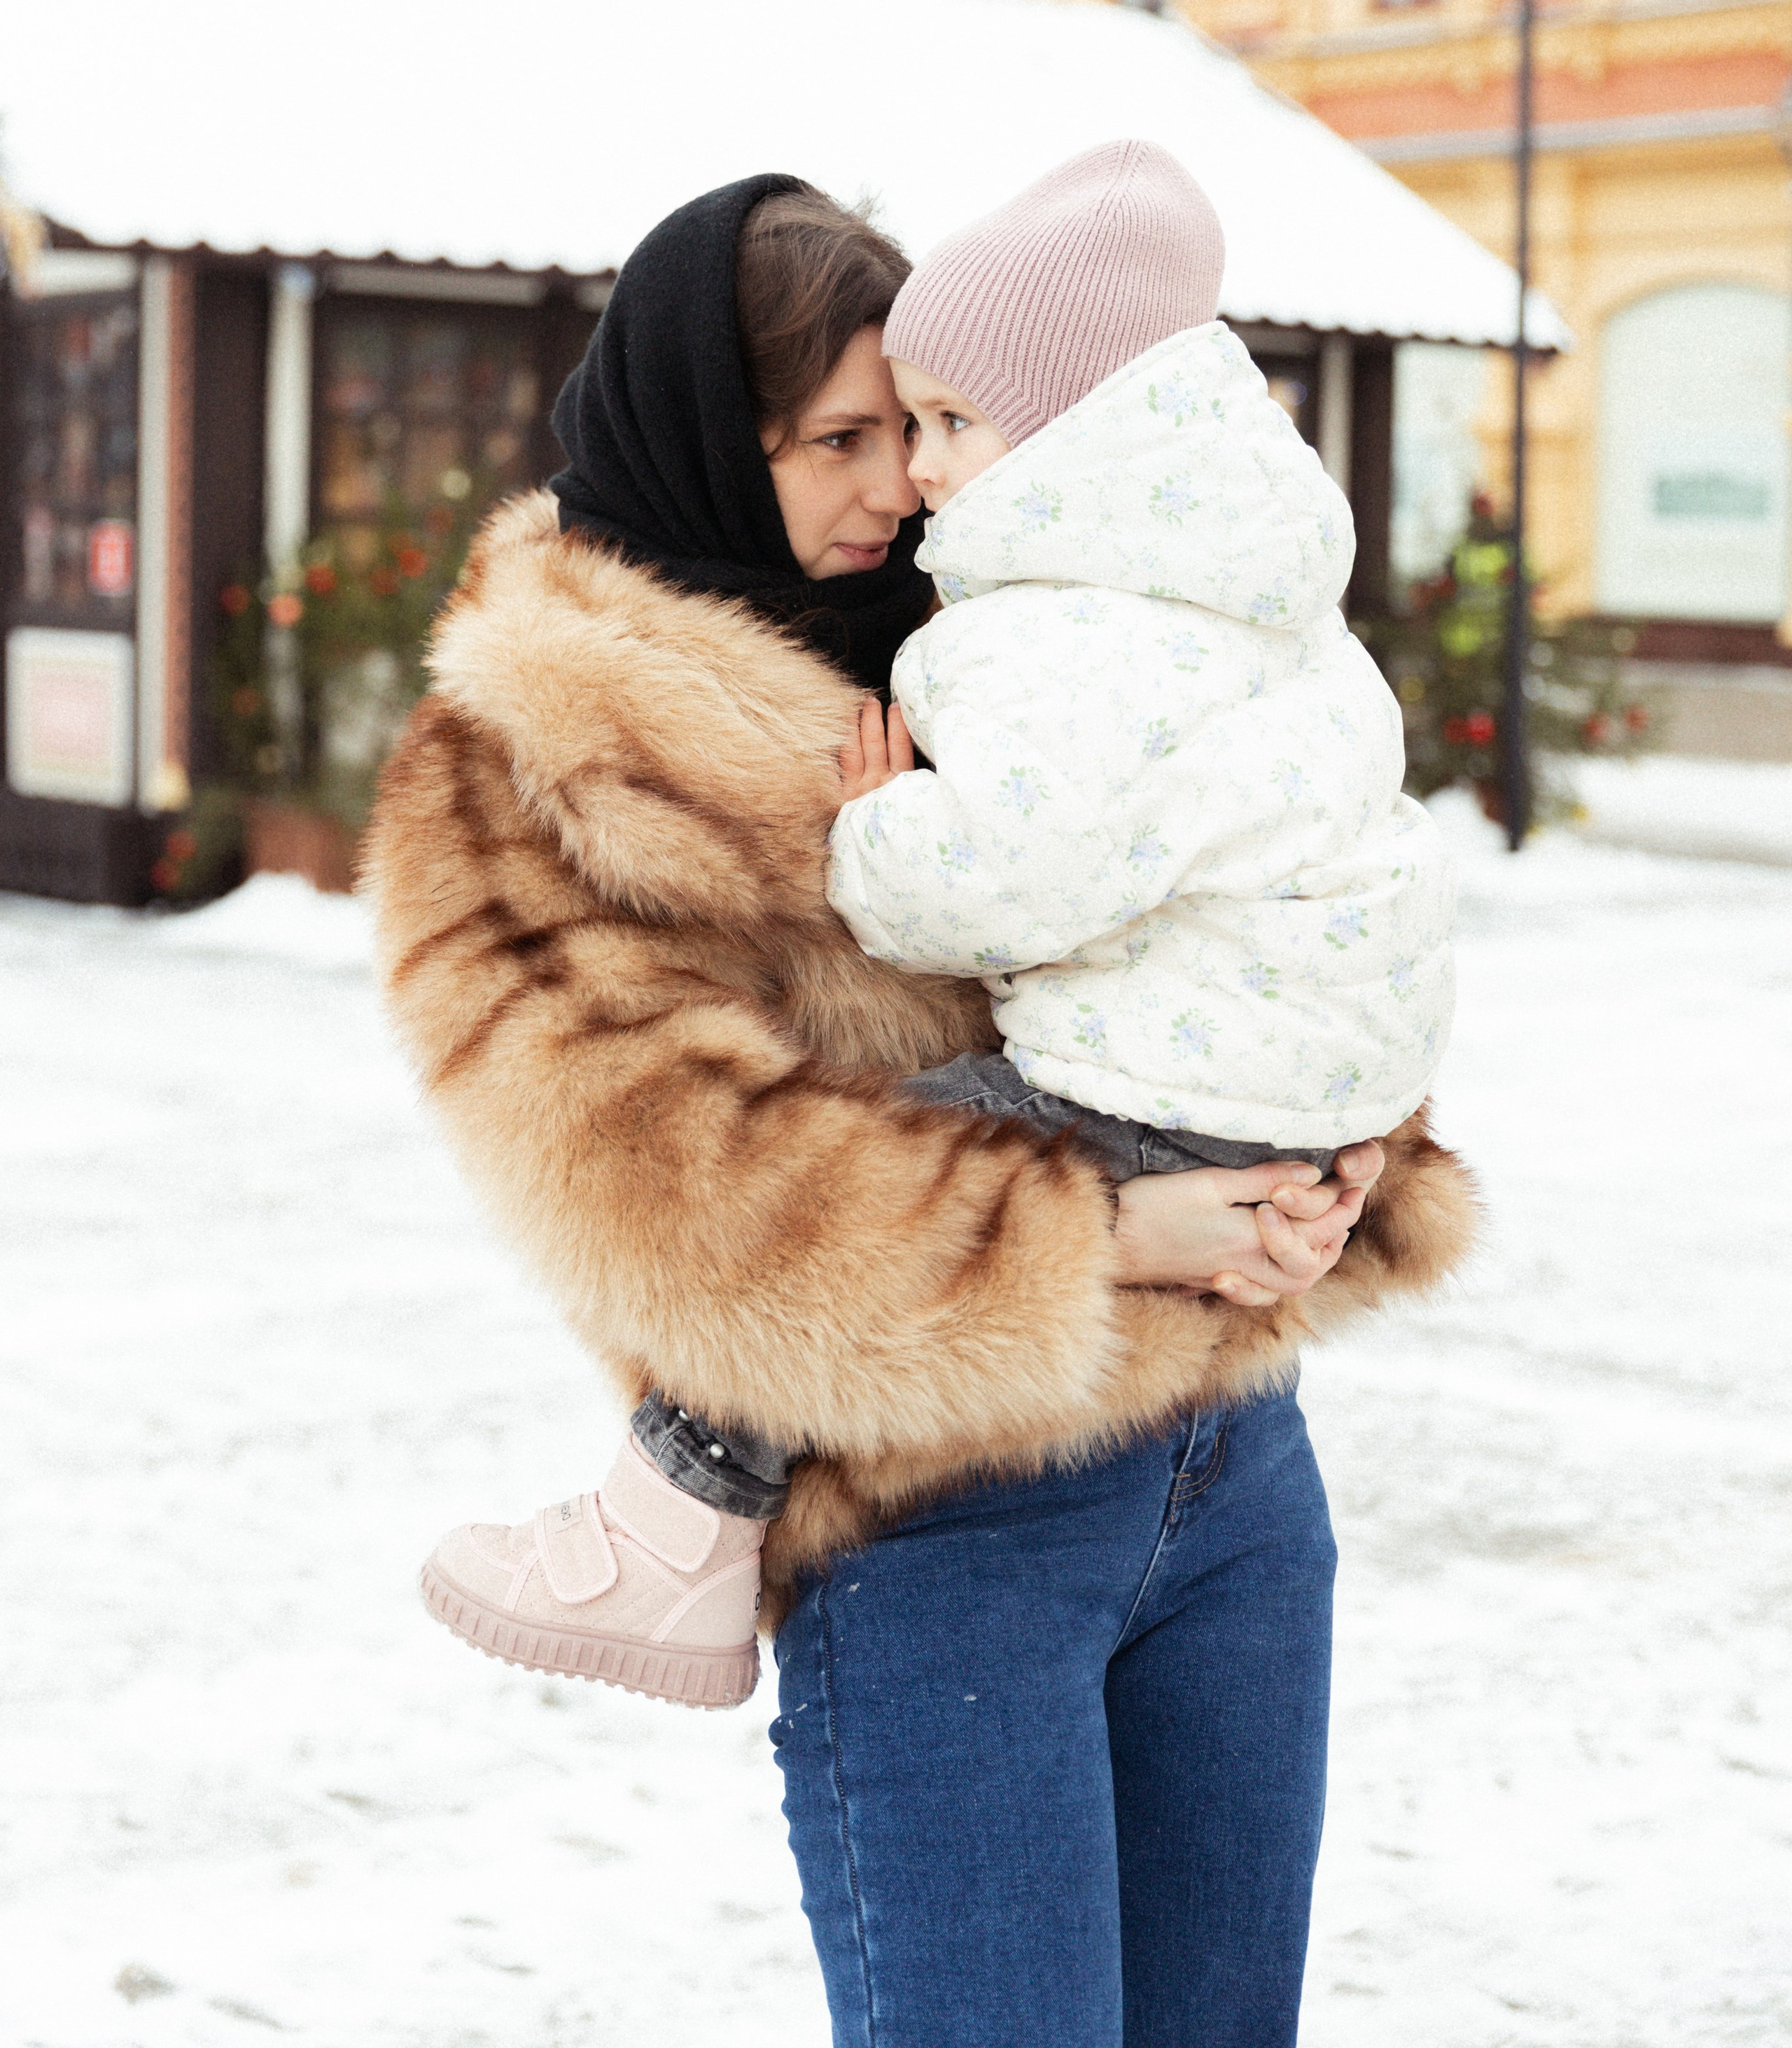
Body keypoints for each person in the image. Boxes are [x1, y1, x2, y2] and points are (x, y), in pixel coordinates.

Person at [363, 169, 1476, 2047]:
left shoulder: (1027, 623)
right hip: (940, 1533)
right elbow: (663, 1201)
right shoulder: (537, 755)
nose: (906, 483)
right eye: (842, 440)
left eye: (925, 424)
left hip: (1236, 1481)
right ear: (716, 438)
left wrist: (1341, 1153)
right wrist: (1101, 1226)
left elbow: (1258, 907)